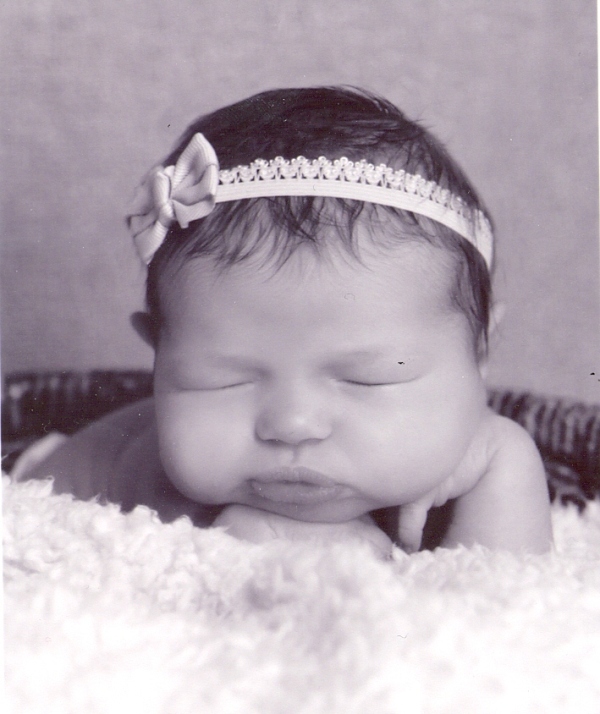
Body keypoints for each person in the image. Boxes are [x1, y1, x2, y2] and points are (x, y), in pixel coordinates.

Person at [21, 87, 553, 555]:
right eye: (223, 379)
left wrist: (507, 464)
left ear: (479, 352)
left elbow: (506, 595)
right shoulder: (154, 490)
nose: (293, 424)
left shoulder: (470, 452)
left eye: (368, 378)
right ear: (159, 356)